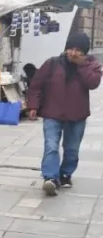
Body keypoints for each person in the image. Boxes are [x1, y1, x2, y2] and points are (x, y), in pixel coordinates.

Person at [26, 32, 101, 196]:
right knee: (51, 146)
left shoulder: (92, 65)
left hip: (77, 114)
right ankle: (50, 178)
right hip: (52, 112)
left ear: (84, 52)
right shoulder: (52, 63)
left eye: (78, 50)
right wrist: (33, 106)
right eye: (70, 49)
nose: (73, 53)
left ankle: (65, 174)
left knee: (72, 148)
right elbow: (36, 85)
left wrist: (81, 65)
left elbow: (93, 83)